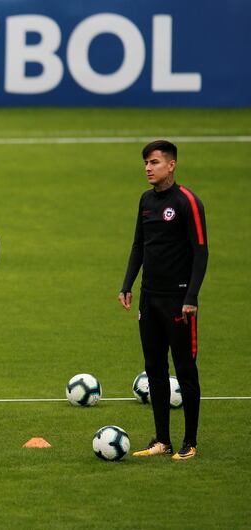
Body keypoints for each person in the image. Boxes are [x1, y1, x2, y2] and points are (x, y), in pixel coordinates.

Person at [119, 140, 208, 461]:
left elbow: (201, 251)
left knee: (185, 369)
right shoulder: (145, 200)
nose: (148, 168)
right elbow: (138, 246)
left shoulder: (187, 202)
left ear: (171, 165)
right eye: (146, 162)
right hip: (150, 299)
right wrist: (128, 284)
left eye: (154, 162)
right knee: (154, 368)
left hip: (178, 302)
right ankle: (162, 440)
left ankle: (191, 441)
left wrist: (191, 296)